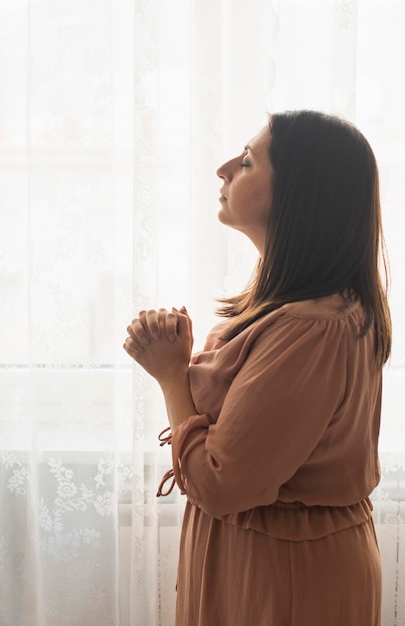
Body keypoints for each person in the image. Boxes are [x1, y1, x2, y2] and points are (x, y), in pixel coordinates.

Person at [123, 110, 391, 626]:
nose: (223, 169)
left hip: (285, 574)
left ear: (298, 195)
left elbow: (222, 481)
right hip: (262, 558)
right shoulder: (289, 313)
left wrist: (172, 376)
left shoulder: (312, 328)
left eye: (246, 162)